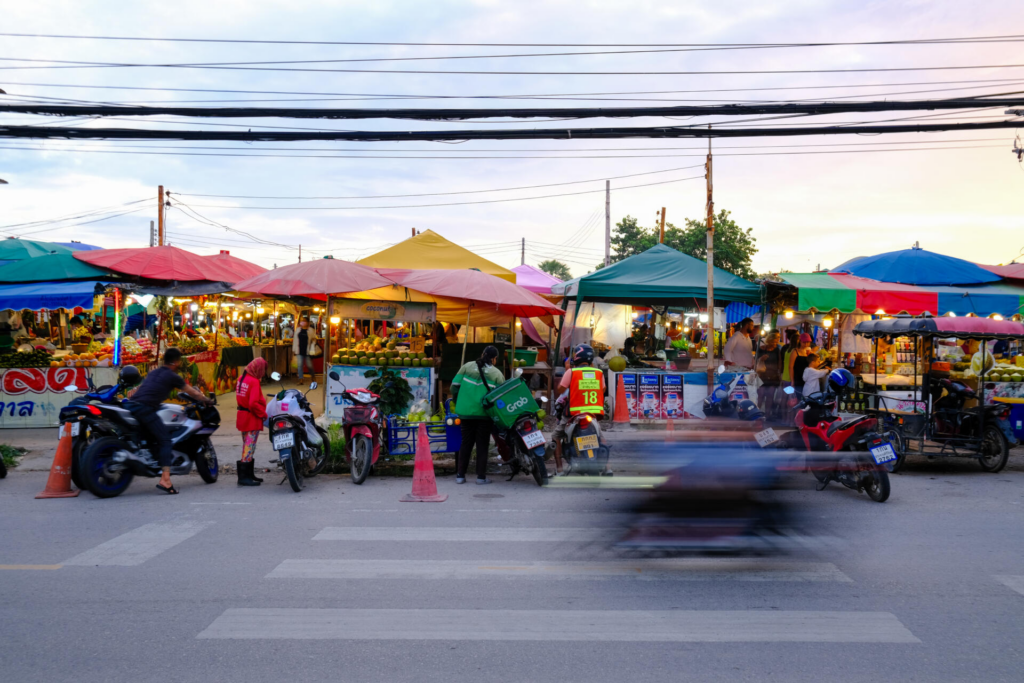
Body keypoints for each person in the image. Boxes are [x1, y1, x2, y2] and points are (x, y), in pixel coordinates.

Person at [127, 347, 213, 495]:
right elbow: (192, 392)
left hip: (132, 406)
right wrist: (207, 400)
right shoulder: (172, 376)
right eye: (179, 361)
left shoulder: (154, 372)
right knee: (165, 440)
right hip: (145, 409)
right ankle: (165, 479)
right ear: (176, 362)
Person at [450, 346, 504, 485]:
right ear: (494, 359)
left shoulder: (467, 367)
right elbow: (501, 397)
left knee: (466, 443)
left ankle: (460, 476)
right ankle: (481, 477)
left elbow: (454, 386)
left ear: (482, 354)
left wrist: (458, 400)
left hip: (465, 413)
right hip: (484, 415)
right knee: (482, 445)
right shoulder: (497, 374)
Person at [553, 344, 608, 472]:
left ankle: (560, 469)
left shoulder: (571, 372)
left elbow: (560, 389)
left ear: (576, 358)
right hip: (593, 413)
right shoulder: (599, 373)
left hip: (574, 413)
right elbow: (603, 389)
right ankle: (607, 468)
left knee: (556, 436)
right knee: (601, 436)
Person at [234, 357, 268, 487]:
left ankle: (249, 475)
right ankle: (244, 478)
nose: (263, 373)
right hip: (251, 418)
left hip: (242, 416)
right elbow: (253, 403)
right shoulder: (254, 382)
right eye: (263, 370)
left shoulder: (241, 378)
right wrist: (263, 414)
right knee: (249, 448)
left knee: (246, 446)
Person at [755, 331, 782, 421]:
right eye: (773, 342)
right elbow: (755, 361)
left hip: (773, 376)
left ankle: (767, 414)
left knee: (770, 395)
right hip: (762, 375)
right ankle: (757, 413)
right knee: (761, 395)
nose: (775, 344)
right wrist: (761, 359)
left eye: (776, 342)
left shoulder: (777, 350)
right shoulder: (762, 349)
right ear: (769, 341)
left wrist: (779, 373)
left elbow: (779, 362)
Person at [292, 317, 314, 384]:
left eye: (304, 321)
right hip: (299, 350)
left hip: (307, 351)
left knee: (309, 365)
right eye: (302, 321)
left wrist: (313, 344)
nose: (302, 322)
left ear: (307, 322)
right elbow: (295, 340)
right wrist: (294, 350)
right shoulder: (298, 330)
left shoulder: (311, 330)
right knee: (300, 365)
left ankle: (313, 376)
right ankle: (301, 379)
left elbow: (314, 339)